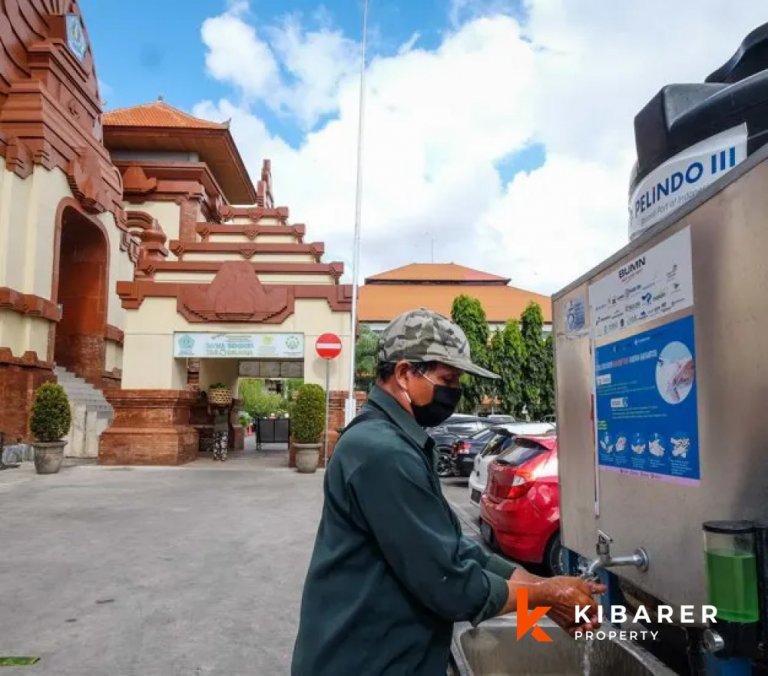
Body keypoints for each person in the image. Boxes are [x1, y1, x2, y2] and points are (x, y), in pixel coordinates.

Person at [292, 308, 604, 676]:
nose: (454, 392)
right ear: (404, 373)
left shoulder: (395, 441)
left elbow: (454, 548)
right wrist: (546, 596)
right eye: (448, 379)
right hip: (364, 661)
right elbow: (449, 584)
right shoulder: (383, 453)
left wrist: (545, 586)